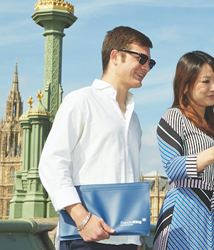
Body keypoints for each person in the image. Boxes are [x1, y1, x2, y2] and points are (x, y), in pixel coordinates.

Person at [38, 26, 154, 250]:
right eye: (141, 58)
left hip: (127, 239)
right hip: (85, 237)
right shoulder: (80, 101)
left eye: (150, 62)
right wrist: (82, 219)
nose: (146, 67)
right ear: (115, 56)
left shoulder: (135, 119)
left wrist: (136, 239)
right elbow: (51, 164)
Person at [152, 51, 214, 250]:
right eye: (206, 81)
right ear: (184, 87)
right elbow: (173, 168)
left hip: (211, 218)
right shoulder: (174, 116)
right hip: (183, 216)